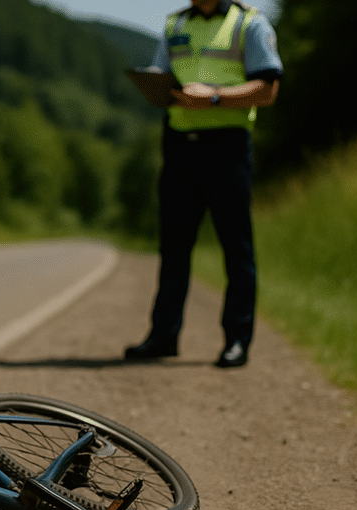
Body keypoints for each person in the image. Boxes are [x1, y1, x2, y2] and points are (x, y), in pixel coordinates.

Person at [124, 0, 282, 367]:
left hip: (227, 147)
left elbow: (267, 89)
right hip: (179, 145)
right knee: (173, 248)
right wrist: (155, 84)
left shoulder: (249, 24)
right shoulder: (175, 24)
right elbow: (162, 75)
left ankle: (237, 341)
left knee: (236, 248)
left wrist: (213, 97)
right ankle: (163, 336)